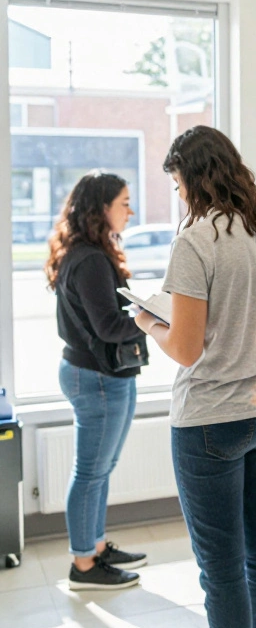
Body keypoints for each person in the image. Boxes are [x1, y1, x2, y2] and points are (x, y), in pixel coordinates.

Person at [134, 126, 256, 628]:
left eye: (180, 186)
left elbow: (185, 348)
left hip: (207, 421)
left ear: (195, 179)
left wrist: (148, 324)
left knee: (221, 571)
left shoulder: (196, 239)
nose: (180, 197)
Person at [46, 171, 150, 590]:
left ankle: (96, 546)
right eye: (124, 202)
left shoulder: (88, 252)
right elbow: (108, 325)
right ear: (101, 208)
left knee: (99, 470)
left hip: (99, 374)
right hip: (97, 378)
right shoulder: (89, 259)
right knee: (91, 472)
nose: (131, 210)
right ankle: (83, 565)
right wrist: (154, 318)